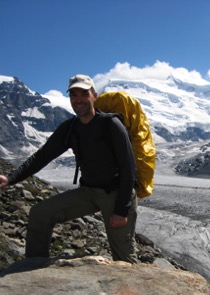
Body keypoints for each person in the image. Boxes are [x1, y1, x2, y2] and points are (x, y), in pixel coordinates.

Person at [0, 74, 138, 263]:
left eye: (84, 94)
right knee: (40, 213)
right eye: (74, 95)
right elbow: (42, 157)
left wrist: (122, 210)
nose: (79, 99)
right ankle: (33, 265)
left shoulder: (111, 124)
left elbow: (129, 168)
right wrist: (10, 178)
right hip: (88, 191)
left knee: (124, 257)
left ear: (94, 95)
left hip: (116, 194)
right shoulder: (70, 128)